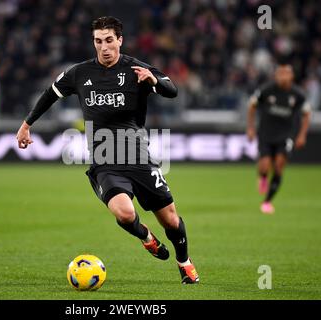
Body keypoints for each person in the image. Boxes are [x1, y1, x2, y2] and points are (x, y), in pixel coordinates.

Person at [16, 16, 199, 284]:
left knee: (170, 220)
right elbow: (50, 94)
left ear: (120, 41)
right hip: (105, 160)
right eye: (98, 41)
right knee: (124, 213)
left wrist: (154, 81)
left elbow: (172, 90)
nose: (104, 47)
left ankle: (184, 262)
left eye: (109, 40)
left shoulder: (136, 68)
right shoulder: (79, 73)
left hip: (139, 157)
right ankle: (146, 237)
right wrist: (26, 124)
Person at [247, 63, 311, 214]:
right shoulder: (266, 90)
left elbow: (307, 113)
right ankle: (262, 177)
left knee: (278, 166)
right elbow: (251, 106)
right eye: (279, 73)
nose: (282, 76)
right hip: (266, 134)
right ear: (275, 75)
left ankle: (267, 201)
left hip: (286, 135)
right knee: (264, 165)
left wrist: (302, 135)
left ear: (291, 76)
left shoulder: (298, 95)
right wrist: (250, 128)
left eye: (285, 73)